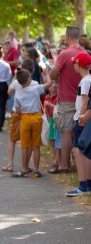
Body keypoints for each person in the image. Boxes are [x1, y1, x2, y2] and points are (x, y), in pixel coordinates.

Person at [50, 26, 87, 173]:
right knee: (80, 131)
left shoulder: (65, 54)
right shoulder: (85, 53)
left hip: (66, 98)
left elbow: (53, 75)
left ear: (67, 37)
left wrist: (54, 61)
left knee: (66, 132)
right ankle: (80, 166)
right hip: (82, 97)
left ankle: (64, 165)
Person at [12, 69, 52, 178]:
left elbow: (18, 110)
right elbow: (49, 84)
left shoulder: (17, 94)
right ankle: (36, 170)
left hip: (25, 118)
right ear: (29, 78)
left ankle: (24, 168)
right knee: (36, 146)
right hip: (36, 118)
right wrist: (47, 74)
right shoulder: (35, 89)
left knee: (25, 146)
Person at [2, 59, 37, 172]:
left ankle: (10, 163)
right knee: (29, 141)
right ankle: (25, 165)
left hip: (17, 113)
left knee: (13, 139)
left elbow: (9, 92)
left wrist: (14, 78)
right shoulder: (35, 83)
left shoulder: (17, 81)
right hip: (30, 113)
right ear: (33, 70)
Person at [65, 53, 91, 196]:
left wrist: (80, 118)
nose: (73, 65)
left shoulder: (85, 81)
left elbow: (85, 102)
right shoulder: (86, 80)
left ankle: (83, 185)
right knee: (83, 152)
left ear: (78, 64)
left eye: (74, 63)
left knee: (78, 151)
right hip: (83, 119)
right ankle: (87, 184)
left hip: (82, 119)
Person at [45, 83, 62, 174]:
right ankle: (55, 158)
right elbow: (46, 110)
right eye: (52, 84)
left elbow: (58, 108)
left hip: (57, 119)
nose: (55, 85)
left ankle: (57, 161)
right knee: (51, 140)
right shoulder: (47, 97)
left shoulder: (58, 96)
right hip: (51, 120)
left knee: (57, 140)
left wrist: (50, 105)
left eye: (56, 83)